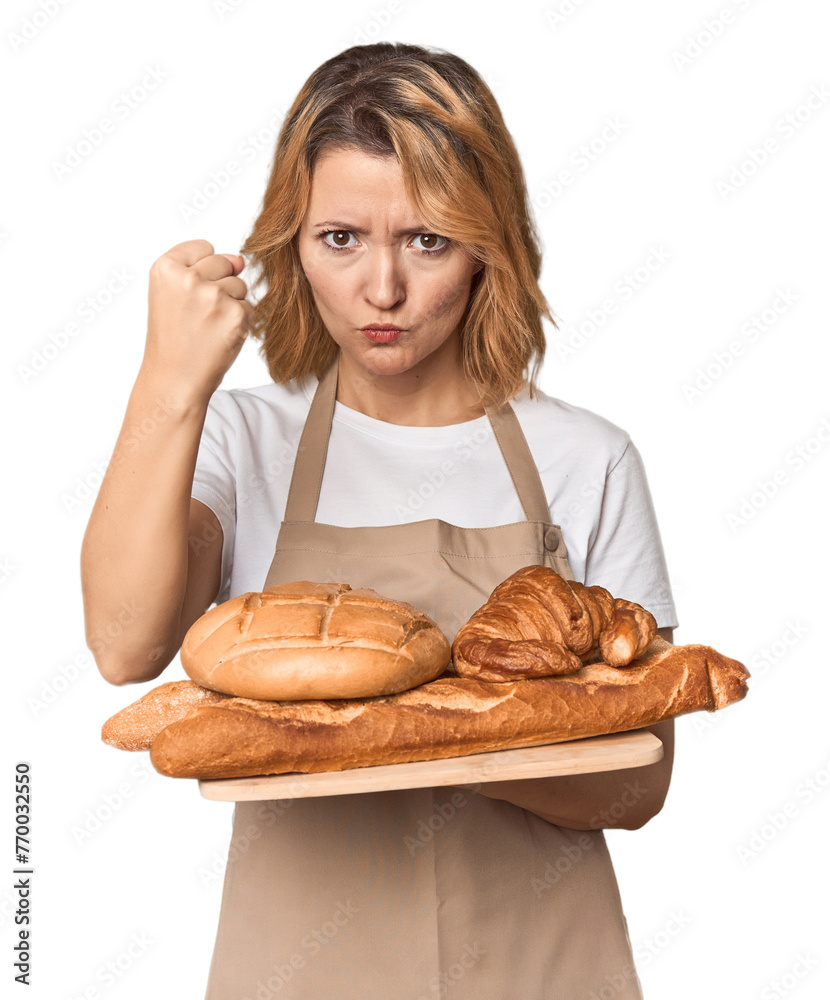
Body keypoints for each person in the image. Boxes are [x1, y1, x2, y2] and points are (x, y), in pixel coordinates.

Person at [81, 41, 678, 999]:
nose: (384, 290)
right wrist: (168, 382)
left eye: (429, 240)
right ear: (289, 242)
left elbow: (638, 787)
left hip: (540, 968)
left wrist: (369, 726)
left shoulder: (587, 459)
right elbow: (122, 646)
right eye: (341, 238)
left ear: (490, 246)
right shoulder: (241, 438)